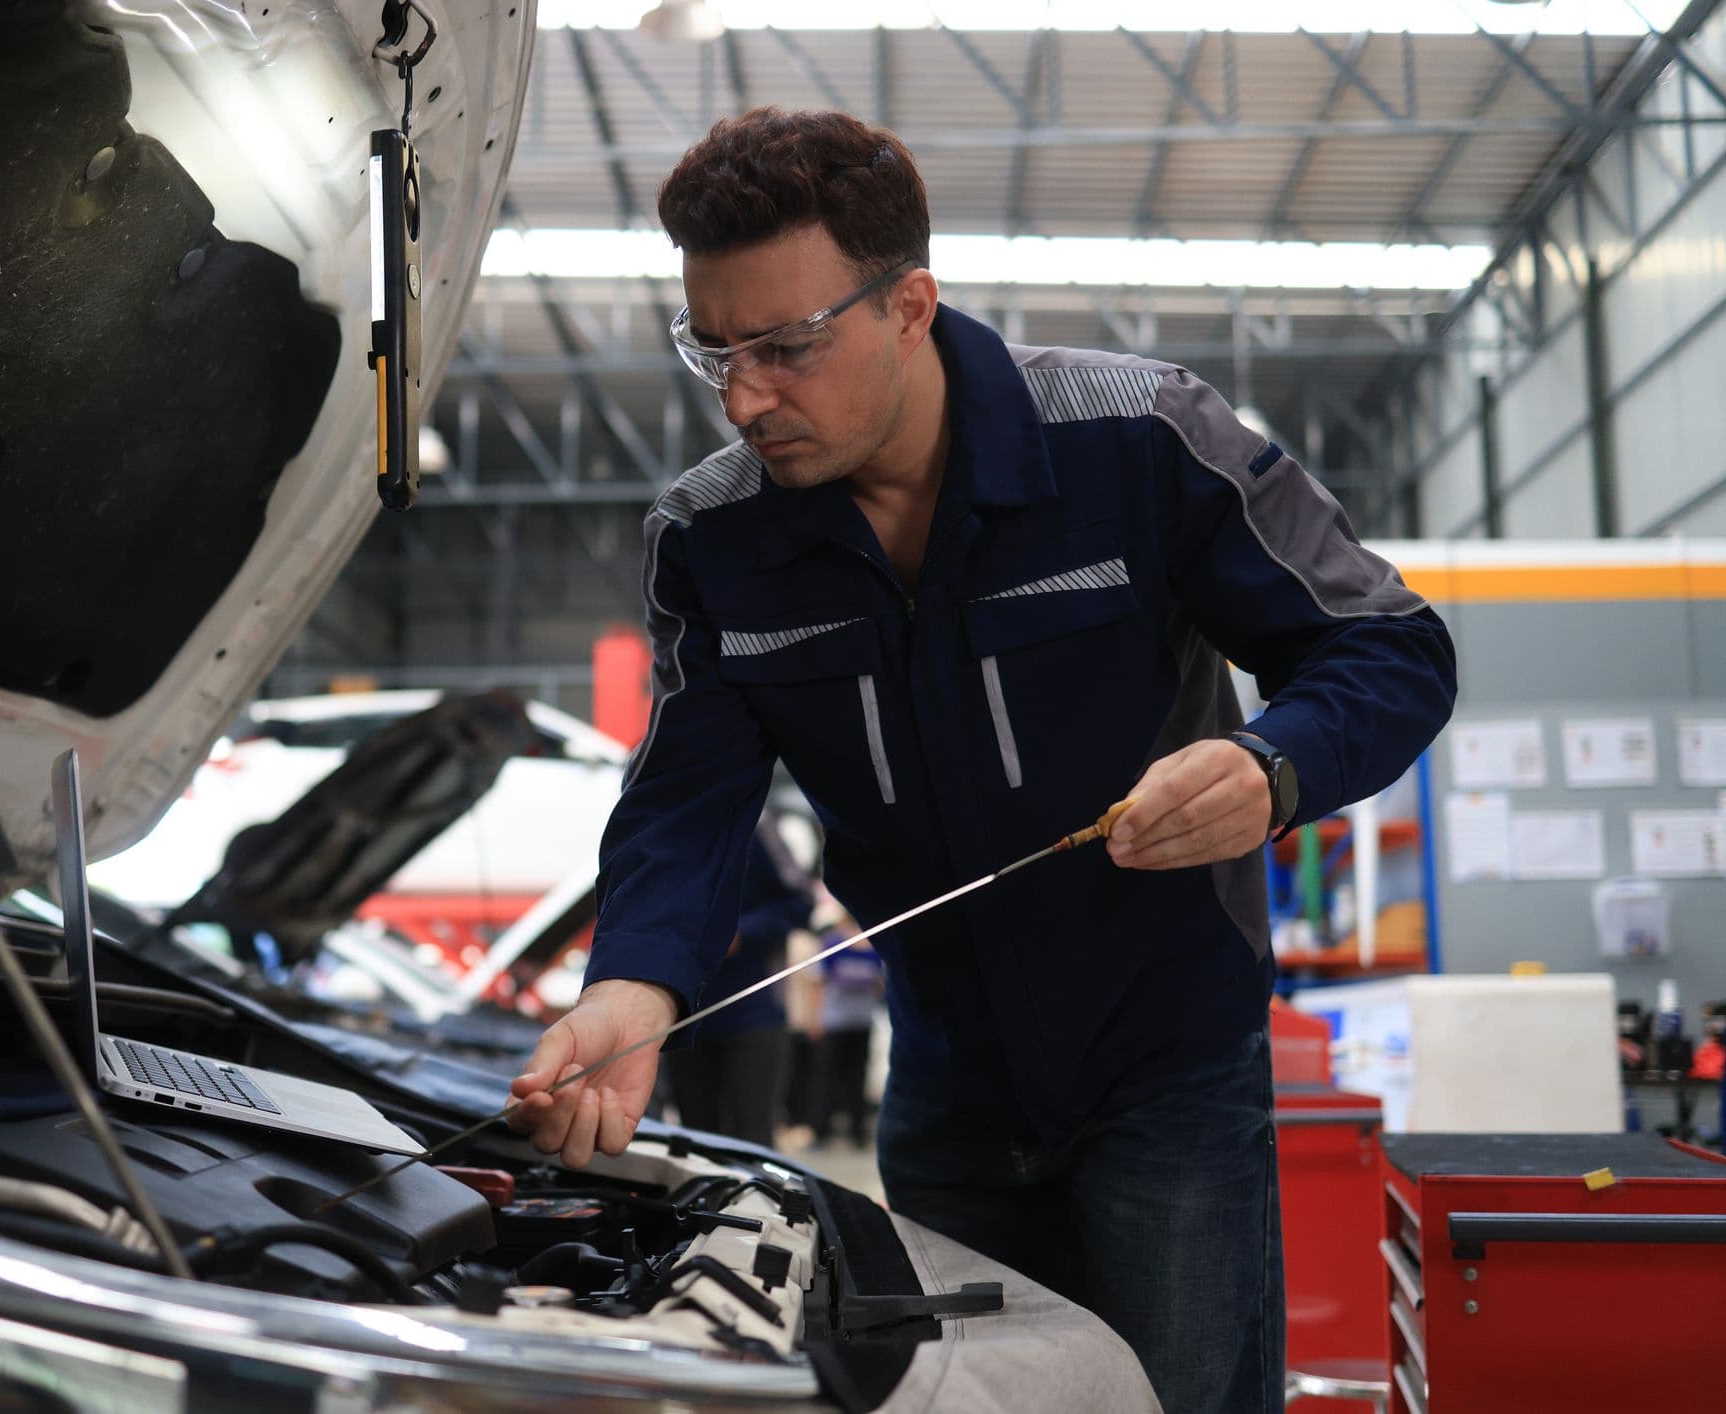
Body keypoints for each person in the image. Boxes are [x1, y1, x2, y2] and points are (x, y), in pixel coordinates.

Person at [507, 107, 1456, 1413]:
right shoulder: (714, 539)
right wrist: (633, 984)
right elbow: (689, 793)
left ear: (910, 304)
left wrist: (1272, 766)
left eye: (786, 346)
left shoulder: (1137, 444)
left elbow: (1391, 651)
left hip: (1165, 1066)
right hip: (947, 1078)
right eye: (711, 348)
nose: (742, 397)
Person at [659, 812, 815, 1145]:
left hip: (751, 1011)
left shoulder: (754, 823)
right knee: (696, 1141)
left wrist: (739, 933)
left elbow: (800, 902)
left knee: (752, 1140)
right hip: (681, 1014)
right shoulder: (661, 821)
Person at [806, 930, 882, 1148]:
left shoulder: (874, 946)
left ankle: (858, 1131)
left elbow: (881, 983)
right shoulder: (834, 944)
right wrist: (815, 1017)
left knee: (857, 1077)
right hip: (834, 1022)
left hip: (862, 1021)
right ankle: (821, 1130)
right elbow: (818, 983)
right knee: (826, 1077)